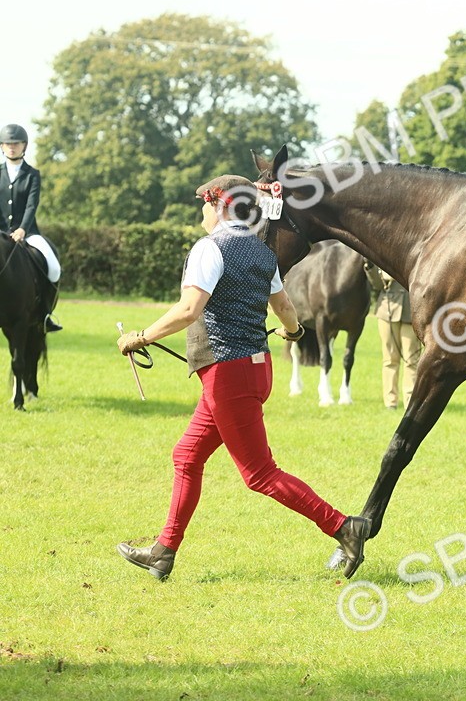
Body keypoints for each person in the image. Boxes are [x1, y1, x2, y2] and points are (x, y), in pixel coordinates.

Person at [115, 175, 370, 580]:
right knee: (186, 456)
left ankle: (344, 527)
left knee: (260, 474)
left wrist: (139, 337)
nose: (200, 211)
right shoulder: (261, 251)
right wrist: (294, 332)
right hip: (256, 370)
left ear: (219, 205)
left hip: (227, 375)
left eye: (204, 203)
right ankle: (163, 552)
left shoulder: (209, 248)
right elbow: (285, 308)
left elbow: (188, 310)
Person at [1, 123, 63, 331]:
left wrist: (23, 229)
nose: (12, 147)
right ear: (2, 146)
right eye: (8, 144)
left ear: (24, 146)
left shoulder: (32, 174)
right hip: (1, 234)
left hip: (28, 234)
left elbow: (31, 204)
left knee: (53, 267)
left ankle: (45, 314)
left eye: (16, 143)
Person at [365, 262, 422, 409]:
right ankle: (390, 402)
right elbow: (377, 286)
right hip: (387, 311)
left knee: (412, 360)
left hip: (411, 312)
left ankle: (410, 402)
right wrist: (370, 266)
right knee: (390, 359)